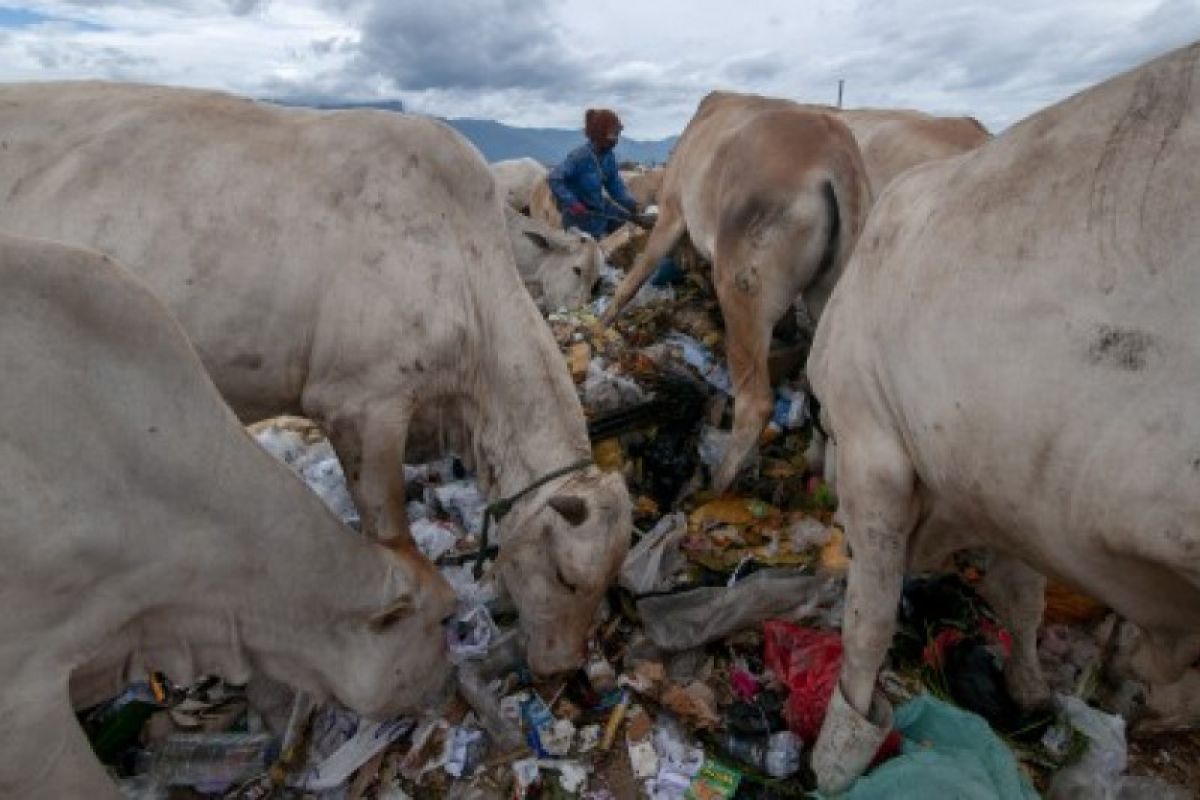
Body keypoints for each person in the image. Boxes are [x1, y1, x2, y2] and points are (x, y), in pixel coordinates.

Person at [548, 108, 641, 238]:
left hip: (600, 209)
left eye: (617, 134)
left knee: (631, 226)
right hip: (578, 217)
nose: (616, 139)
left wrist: (633, 206)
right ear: (600, 133)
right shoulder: (579, 157)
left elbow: (615, 186)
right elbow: (554, 178)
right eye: (613, 134)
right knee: (593, 253)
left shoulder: (609, 157)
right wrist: (573, 203)